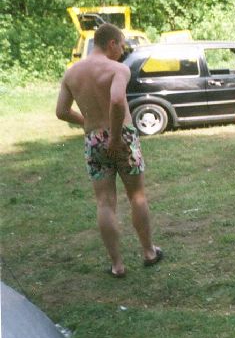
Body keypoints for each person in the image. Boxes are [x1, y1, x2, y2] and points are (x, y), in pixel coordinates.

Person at [56, 23, 163, 278]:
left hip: (93, 140)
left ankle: (117, 265)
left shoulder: (71, 73)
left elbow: (61, 111)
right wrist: (114, 137)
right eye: (122, 46)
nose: (123, 51)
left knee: (104, 202)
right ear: (111, 43)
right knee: (137, 196)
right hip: (122, 136)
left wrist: (88, 123)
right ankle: (149, 252)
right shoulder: (117, 69)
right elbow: (116, 100)